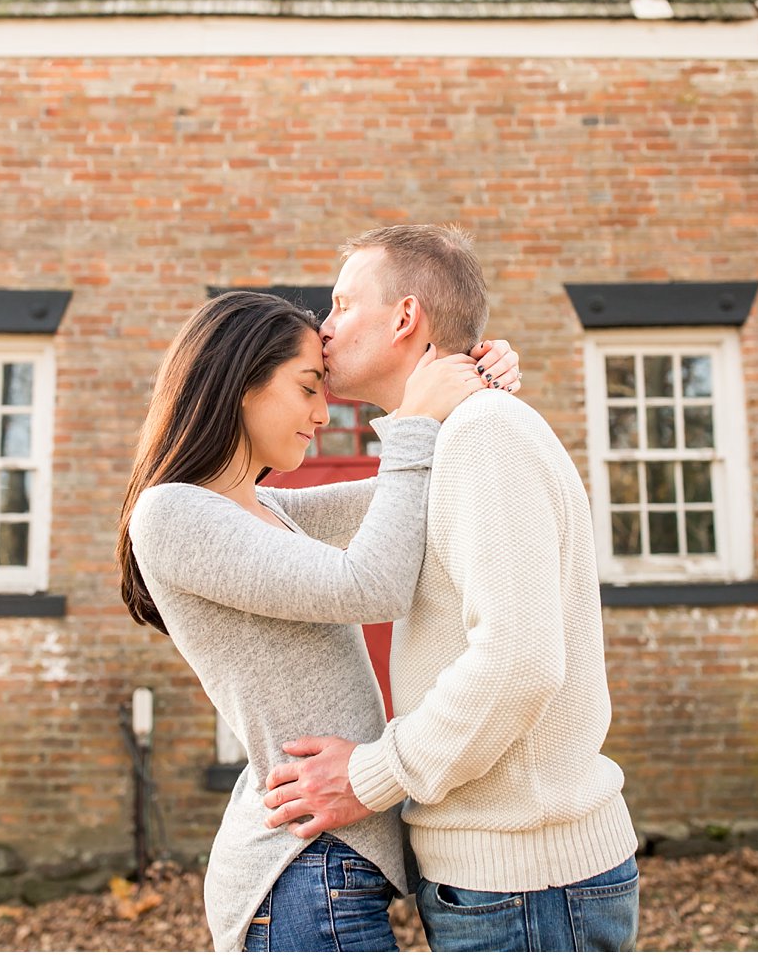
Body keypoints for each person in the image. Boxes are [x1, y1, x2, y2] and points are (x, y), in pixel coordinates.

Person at [259, 224, 641, 952]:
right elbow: (291, 519)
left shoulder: (483, 434)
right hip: (507, 884)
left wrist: (370, 775)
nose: (324, 327)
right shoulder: (452, 438)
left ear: (404, 318)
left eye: (341, 305)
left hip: (529, 886)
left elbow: (519, 662)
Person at [116, 290, 521, 952]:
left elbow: (421, 489)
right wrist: (416, 420)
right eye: (308, 388)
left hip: (327, 866)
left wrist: (477, 385)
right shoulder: (170, 514)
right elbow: (375, 585)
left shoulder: (276, 511)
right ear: (240, 384)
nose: (322, 412)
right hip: (301, 868)